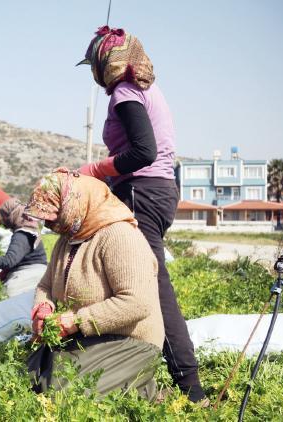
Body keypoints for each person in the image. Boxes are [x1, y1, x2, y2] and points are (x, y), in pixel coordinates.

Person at [75, 26, 207, 402]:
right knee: (134, 278)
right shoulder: (146, 88)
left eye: (94, 65)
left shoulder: (125, 92)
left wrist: (96, 170)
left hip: (141, 191)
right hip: (159, 191)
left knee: (152, 287)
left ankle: (190, 387)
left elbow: (143, 153)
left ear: (106, 62)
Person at [24, 169, 164, 400]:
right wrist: (44, 308)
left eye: (54, 214)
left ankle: (144, 389)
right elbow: (46, 285)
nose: (50, 223)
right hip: (88, 336)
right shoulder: (68, 239)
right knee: (30, 377)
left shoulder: (119, 235)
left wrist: (77, 320)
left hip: (130, 341)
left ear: (73, 204)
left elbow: (137, 302)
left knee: (64, 395)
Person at [0, 198, 47, 297]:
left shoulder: (22, 234)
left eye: (4, 217)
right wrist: (5, 272)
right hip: (35, 271)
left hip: (31, 273)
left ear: (11, 216)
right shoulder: (29, 229)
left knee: (6, 294)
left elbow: (9, 261)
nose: (3, 222)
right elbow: (18, 257)